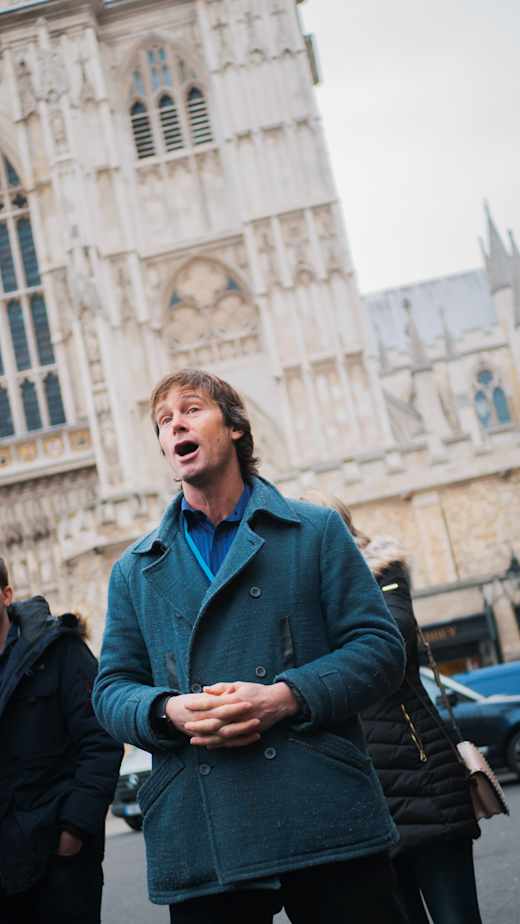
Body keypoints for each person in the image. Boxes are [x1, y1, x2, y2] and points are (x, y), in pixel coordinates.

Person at [93, 368, 408, 924]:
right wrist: (167, 711)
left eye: (191, 409)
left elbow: (380, 649)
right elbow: (111, 689)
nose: (175, 425)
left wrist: (285, 697)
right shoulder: (134, 569)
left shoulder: (315, 532)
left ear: (235, 427)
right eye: (164, 420)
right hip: (203, 825)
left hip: (321, 806)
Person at [307, 492, 482, 924]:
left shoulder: (383, 572)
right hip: (361, 794)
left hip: (425, 776)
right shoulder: (298, 596)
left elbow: (388, 640)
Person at [0, 559, 123, 924]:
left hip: (56, 863)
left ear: (6, 595)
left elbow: (101, 738)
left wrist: (74, 829)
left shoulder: (57, 650)